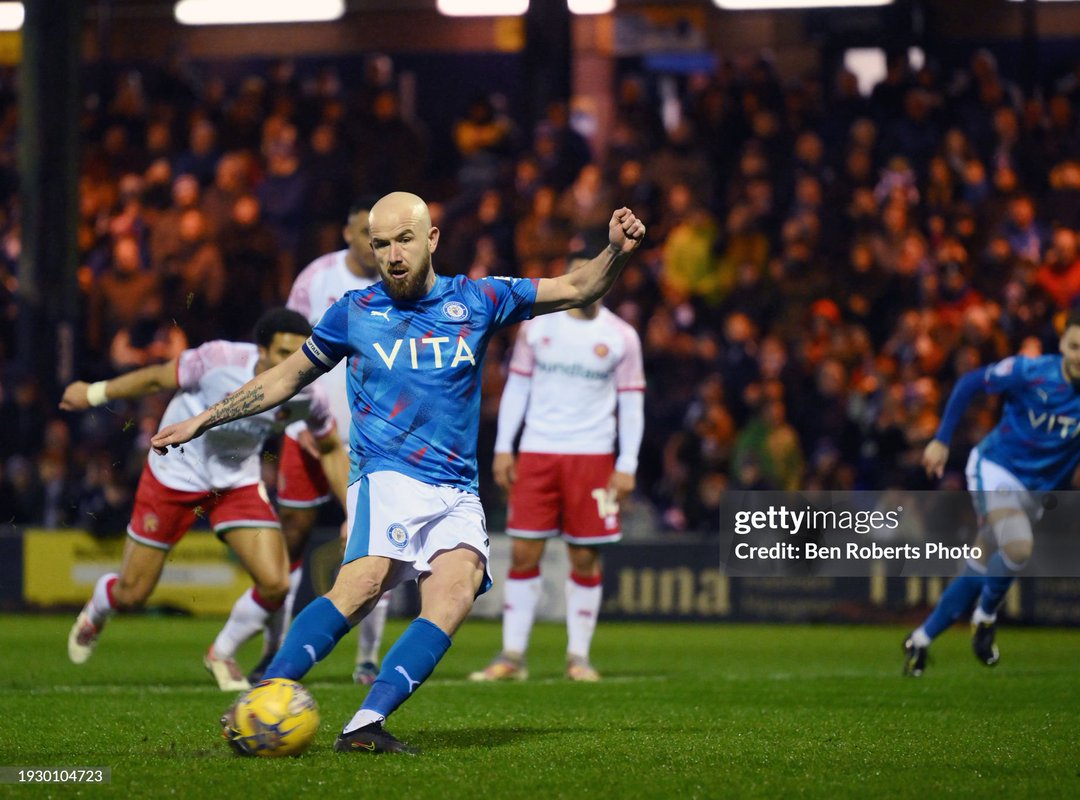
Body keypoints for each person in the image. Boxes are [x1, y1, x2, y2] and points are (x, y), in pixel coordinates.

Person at [150, 192, 645, 754]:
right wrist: (204, 420)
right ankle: (260, 700)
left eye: (404, 240)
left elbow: (578, 287)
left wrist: (615, 252)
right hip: (385, 475)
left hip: (456, 487)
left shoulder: (479, 299)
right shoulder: (354, 312)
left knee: (456, 592)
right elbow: (286, 377)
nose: (392, 255)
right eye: (380, 244)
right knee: (360, 587)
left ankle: (364, 725)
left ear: (431, 239)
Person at [61, 308, 349, 691]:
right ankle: (98, 610)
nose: (291, 363)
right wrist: (94, 392)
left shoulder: (310, 393)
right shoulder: (219, 359)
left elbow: (330, 448)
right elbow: (156, 378)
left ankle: (222, 653)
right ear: (261, 350)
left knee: (276, 584)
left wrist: (352, 512)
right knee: (132, 594)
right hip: (175, 472)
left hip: (236, 482)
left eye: (298, 354)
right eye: (283, 353)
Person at [905, 309, 1080, 676]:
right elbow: (970, 383)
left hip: (1038, 491)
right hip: (996, 467)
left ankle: (921, 639)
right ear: (1062, 345)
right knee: (1018, 546)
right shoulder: (1031, 371)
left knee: (982, 561)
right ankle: (985, 618)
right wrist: (941, 440)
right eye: (1075, 347)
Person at [232, 195, 389, 686]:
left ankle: (367, 657)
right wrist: (296, 425)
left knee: (377, 542)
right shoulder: (316, 279)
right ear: (347, 232)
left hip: (373, 440)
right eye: (365, 233)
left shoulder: (399, 281)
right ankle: (273, 649)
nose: (373, 244)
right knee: (292, 535)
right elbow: (290, 354)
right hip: (311, 431)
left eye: (379, 236)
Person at [468, 253, 645, 683]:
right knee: (524, 552)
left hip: (593, 456)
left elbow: (631, 401)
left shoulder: (621, 337)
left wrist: (627, 463)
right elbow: (517, 387)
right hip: (538, 452)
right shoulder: (538, 327)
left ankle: (578, 657)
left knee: (584, 557)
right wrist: (504, 448)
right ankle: (512, 655)